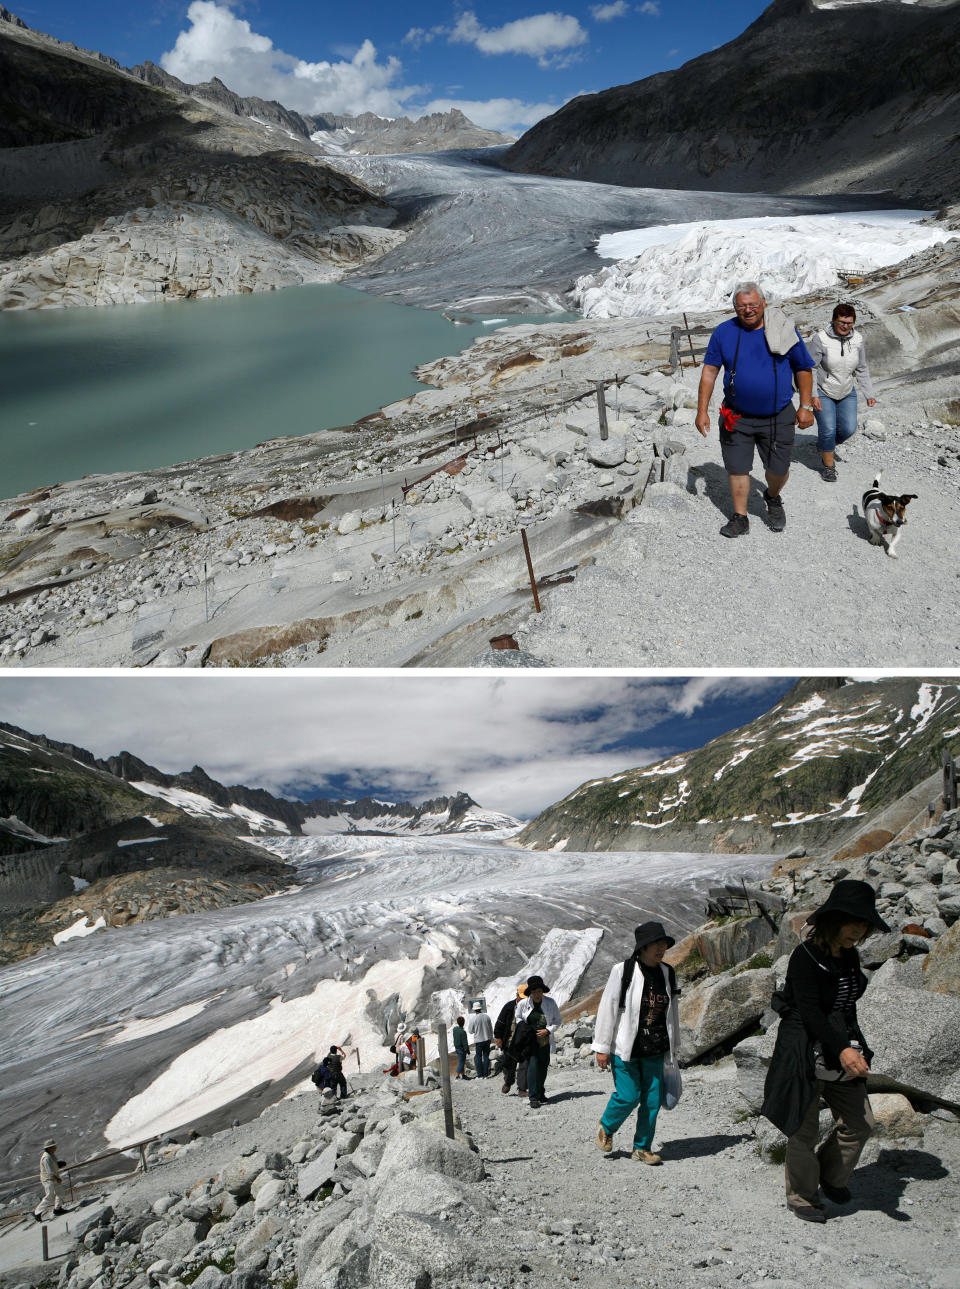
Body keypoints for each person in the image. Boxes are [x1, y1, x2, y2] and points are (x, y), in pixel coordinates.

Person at [761, 880, 888, 1223]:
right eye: (854, 924)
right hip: (802, 1050)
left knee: (861, 1123)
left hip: (838, 1048)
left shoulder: (850, 956)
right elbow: (811, 1011)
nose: (859, 933)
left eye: (864, 926)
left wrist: (852, 1045)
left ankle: (830, 1177)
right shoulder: (805, 957)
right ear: (834, 920)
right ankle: (802, 1194)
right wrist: (844, 1049)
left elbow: (846, 1007)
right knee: (803, 1129)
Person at [696, 281, 816, 537]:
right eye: (742, 306)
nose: (748, 310)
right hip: (736, 415)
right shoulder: (723, 332)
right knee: (737, 468)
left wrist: (805, 406)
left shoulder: (782, 329)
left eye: (753, 305)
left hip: (778, 415)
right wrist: (701, 410)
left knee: (778, 470)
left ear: (763, 304)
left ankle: (772, 497)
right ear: (735, 308)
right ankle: (740, 517)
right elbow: (710, 371)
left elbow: (803, 368)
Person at [592, 922, 681, 1164]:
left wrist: (675, 1046)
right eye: (656, 944)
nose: (661, 949)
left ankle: (642, 1148)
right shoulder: (623, 971)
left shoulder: (667, 972)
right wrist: (601, 1047)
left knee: (652, 1101)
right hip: (625, 1049)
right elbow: (608, 1008)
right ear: (642, 947)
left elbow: (672, 1011)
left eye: (663, 944)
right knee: (629, 1096)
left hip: (655, 1048)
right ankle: (607, 1126)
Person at [806, 303, 877, 481]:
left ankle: (825, 445)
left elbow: (861, 368)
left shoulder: (857, 339)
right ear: (834, 320)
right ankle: (829, 467)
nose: (845, 326)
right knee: (828, 428)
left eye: (850, 323)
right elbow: (810, 368)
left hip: (846, 390)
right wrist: (813, 394)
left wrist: (869, 393)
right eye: (842, 322)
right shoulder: (820, 339)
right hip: (824, 390)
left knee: (848, 428)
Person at [514, 975, 562, 1109]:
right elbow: (518, 1018)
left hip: (545, 1042)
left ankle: (540, 1092)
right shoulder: (523, 1004)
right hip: (530, 1042)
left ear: (542, 991)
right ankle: (533, 1097)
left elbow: (558, 1021)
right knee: (533, 1067)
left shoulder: (550, 1003)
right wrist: (525, 1029)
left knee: (543, 1067)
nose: (537, 994)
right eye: (534, 992)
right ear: (530, 993)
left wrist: (547, 1030)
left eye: (539, 991)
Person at [495, 983, 529, 1095]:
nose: (523, 1000)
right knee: (509, 1063)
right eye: (521, 997)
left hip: (524, 1041)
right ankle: (508, 1082)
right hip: (509, 1041)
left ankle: (522, 1089)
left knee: (524, 1064)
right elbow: (500, 1023)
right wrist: (499, 1038)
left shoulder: (530, 1007)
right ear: (517, 995)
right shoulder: (509, 1007)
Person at [33, 1139, 67, 1221]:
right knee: (49, 1196)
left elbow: (52, 1166)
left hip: (53, 1178)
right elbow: (50, 1172)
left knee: (60, 1192)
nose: (55, 1147)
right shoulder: (46, 1158)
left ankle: (57, 1209)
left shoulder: (51, 1155)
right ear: (49, 1148)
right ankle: (37, 1212)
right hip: (49, 1180)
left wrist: (58, 1165)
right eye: (53, 1146)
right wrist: (57, 1178)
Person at [467, 1001, 494, 1078]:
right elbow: (490, 1028)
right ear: (480, 1008)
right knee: (486, 1056)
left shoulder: (473, 1019)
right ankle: (486, 1074)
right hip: (487, 1039)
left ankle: (480, 1075)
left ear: (474, 1010)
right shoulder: (487, 1017)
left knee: (478, 1057)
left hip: (478, 1040)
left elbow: (470, 1031)